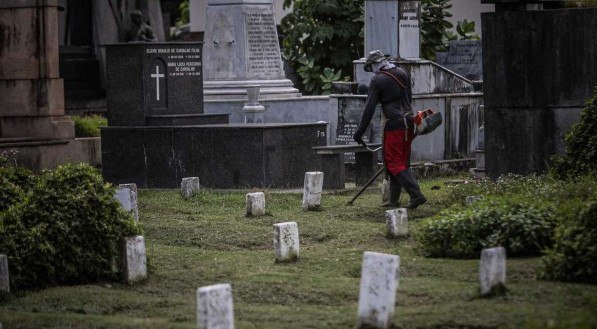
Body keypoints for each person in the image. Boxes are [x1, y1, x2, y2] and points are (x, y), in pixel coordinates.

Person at [353, 50, 427, 209]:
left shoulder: (378, 80)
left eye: (370, 67)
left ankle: (416, 194)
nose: (371, 71)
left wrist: (359, 132)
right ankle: (393, 201)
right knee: (401, 163)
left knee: (393, 163)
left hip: (394, 125)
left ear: (375, 64)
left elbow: (369, 109)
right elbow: (409, 98)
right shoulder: (402, 72)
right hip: (409, 121)